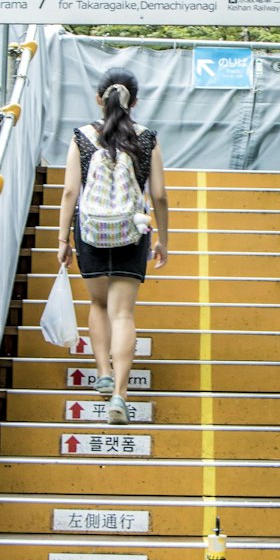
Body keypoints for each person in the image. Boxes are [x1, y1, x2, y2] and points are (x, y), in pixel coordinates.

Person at [57, 68, 169, 424]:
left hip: (90, 231)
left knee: (97, 302)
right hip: (132, 230)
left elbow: (70, 192)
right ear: (134, 102)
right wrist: (163, 239)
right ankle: (120, 395)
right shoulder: (147, 138)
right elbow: (160, 196)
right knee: (123, 313)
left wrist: (62, 238)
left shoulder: (81, 137)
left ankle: (102, 371)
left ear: (99, 99)